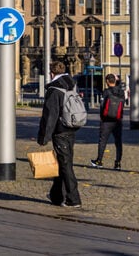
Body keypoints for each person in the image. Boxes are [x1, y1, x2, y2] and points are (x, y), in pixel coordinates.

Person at [37, 60, 82, 208]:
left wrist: (43, 137)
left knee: (65, 165)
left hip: (60, 131)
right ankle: (56, 196)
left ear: (51, 73)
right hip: (71, 127)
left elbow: (50, 116)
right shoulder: (71, 85)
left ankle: (73, 199)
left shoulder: (54, 90)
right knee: (63, 162)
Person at [91, 73, 124, 170]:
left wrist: (102, 117)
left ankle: (99, 161)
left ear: (107, 81)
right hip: (118, 120)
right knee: (118, 142)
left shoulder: (106, 92)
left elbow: (102, 105)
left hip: (106, 120)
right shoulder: (121, 92)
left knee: (103, 140)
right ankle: (118, 163)